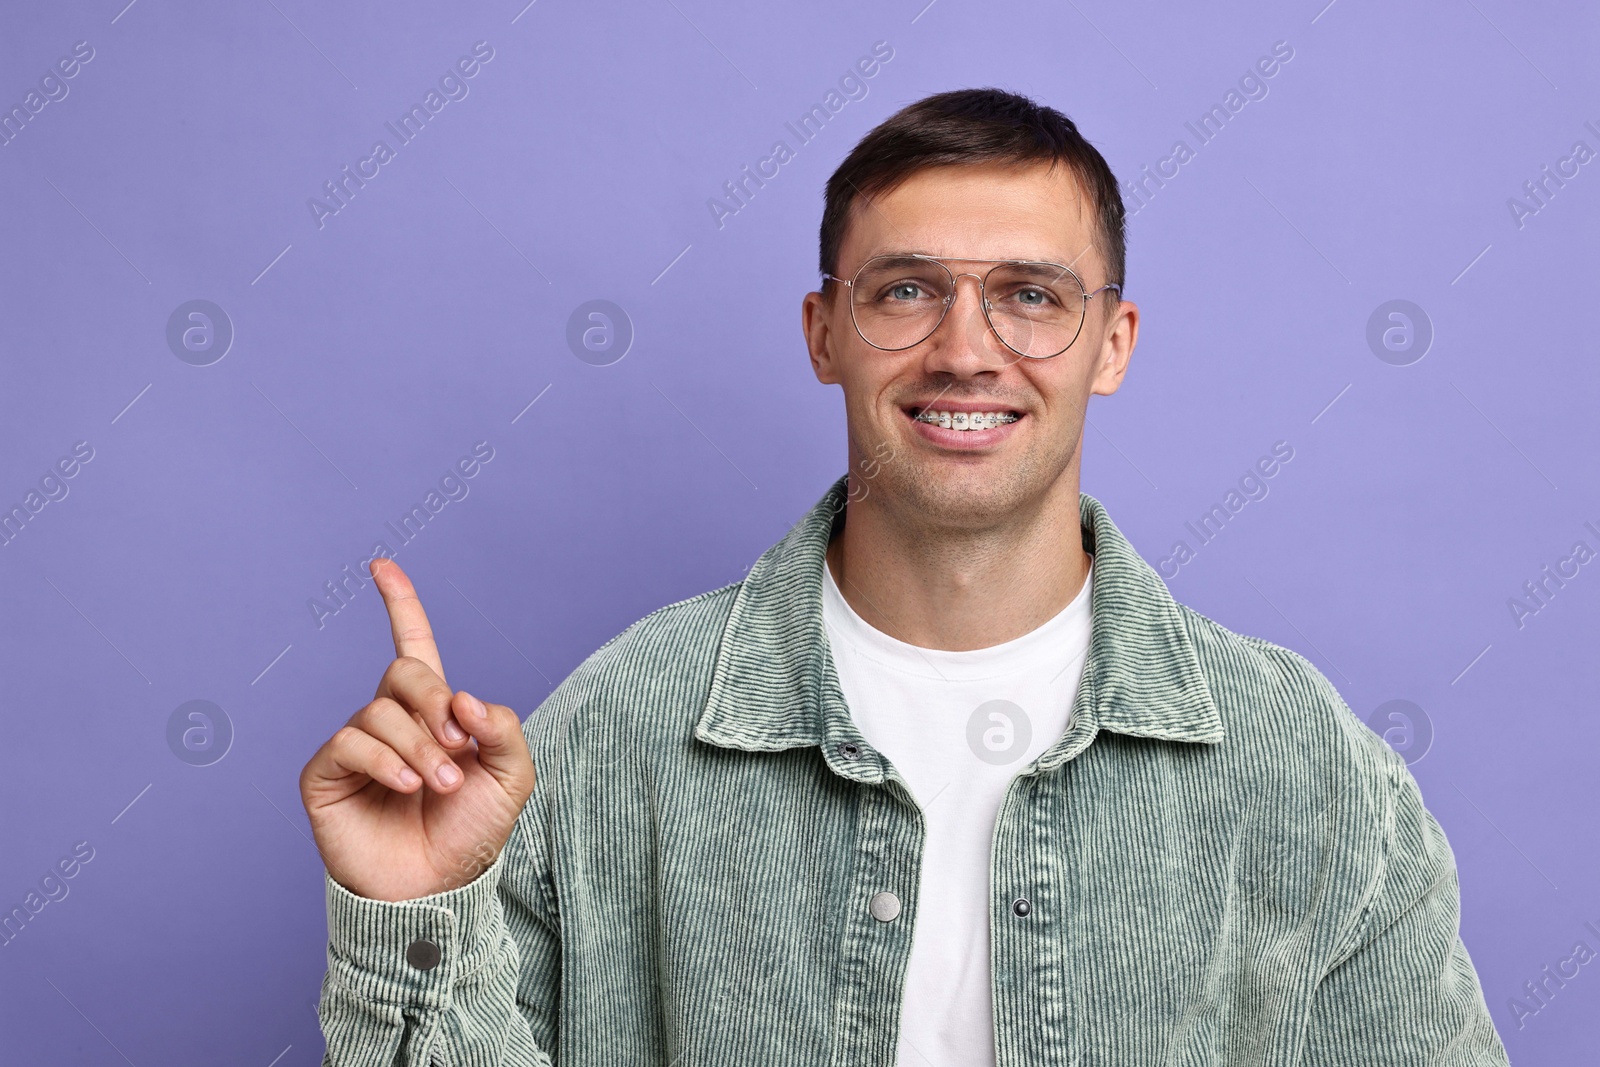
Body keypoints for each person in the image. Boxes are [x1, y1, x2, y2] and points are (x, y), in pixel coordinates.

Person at [300, 88, 1510, 1066]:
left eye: (1029, 296)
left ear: (1113, 343)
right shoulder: (616, 730)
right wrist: (414, 917)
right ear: (824, 331)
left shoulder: (1302, 764)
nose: (966, 348)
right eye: (906, 291)